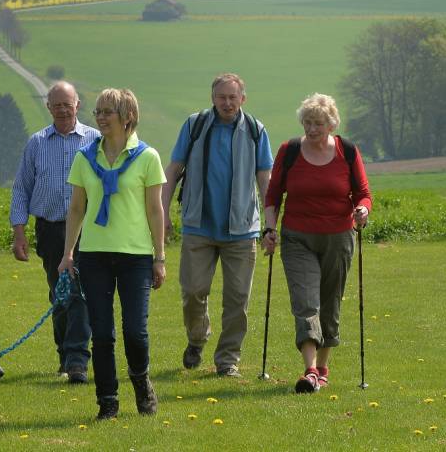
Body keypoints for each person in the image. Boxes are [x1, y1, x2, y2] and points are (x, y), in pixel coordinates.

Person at [58, 88, 166, 420]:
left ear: (127, 116)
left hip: (136, 258)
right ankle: (107, 401)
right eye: (99, 112)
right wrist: (68, 254)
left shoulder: (147, 157)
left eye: (108, 112)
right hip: (94, 256)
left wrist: (159, 257)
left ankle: (141, 381)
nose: (101, 118)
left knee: (136, 331)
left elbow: (155, 210)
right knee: (102, 334)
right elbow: (76, 209)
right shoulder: (84, 157)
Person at [162, 73, 273, 377]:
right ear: (212, 98)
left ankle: (228, 361)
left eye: (232, 97)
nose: (227, 102)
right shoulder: (194, 125)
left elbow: (266, 180)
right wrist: (162, 214)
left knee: (237, 300)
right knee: (194, 291)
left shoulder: (255, 130)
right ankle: (197, 338)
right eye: (221, 97)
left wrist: (271, 225)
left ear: (242, 99)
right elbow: (173, 169)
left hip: (242, 230)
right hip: (198, 226)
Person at [262, 93, 371, 394]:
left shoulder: (347, 151)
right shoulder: (290, 151)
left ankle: (323, 368)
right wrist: (270, 229)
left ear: (331, 124)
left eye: (318, 124)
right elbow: (273, 195)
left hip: (338, 237)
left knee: (329, 303)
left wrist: (362, 209)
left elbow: (363, 193)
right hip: (297, 237)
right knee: (305, 302)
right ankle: (309, 370)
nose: (312, 129)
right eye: (308, 123)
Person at [9, 81, 98, 384]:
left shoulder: (94, 140)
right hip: (49, 231)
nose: (62, 109)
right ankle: (65, 353)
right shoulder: (36, 143)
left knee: (81, 294)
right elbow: (21, 189)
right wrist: (19, 233)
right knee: (60, 295)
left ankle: (77, 360)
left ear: (78, 105)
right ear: (48, 107)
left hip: (88, 230)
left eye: (67, 103)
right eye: (56, 104)